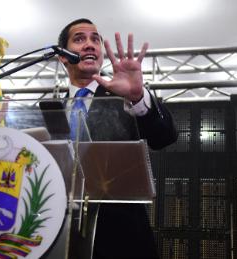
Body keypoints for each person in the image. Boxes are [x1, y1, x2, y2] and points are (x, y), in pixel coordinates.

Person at [57, 18, 178, 258]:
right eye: (79, 39)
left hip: (120, 239)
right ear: (62, 55)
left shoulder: (123, 98)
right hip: (59, 237)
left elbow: (164, 136)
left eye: (95, 39)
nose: (90, 45)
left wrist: (138, 97)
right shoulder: (52, 109)